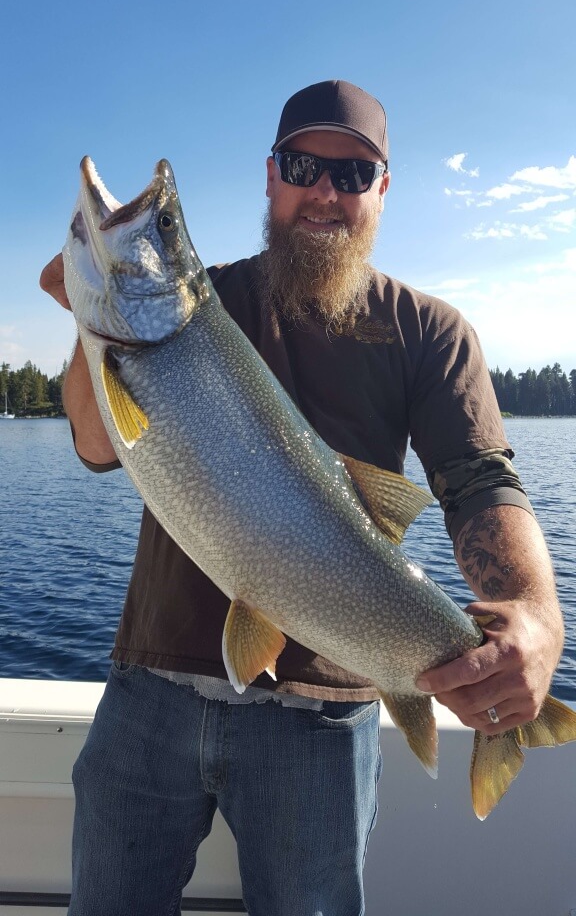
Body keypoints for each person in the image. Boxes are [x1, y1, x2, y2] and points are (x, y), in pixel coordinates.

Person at [40, 80, 564, 916]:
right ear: (271, 175)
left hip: (324, 721)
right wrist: (91, 322)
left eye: (353, 174)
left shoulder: (429, 332)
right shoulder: (198, 304)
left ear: (383, 190)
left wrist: (534, 609)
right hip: (150, 693)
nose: (326, 190)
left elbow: (478, 483)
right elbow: (97, 442)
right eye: (303, 165)